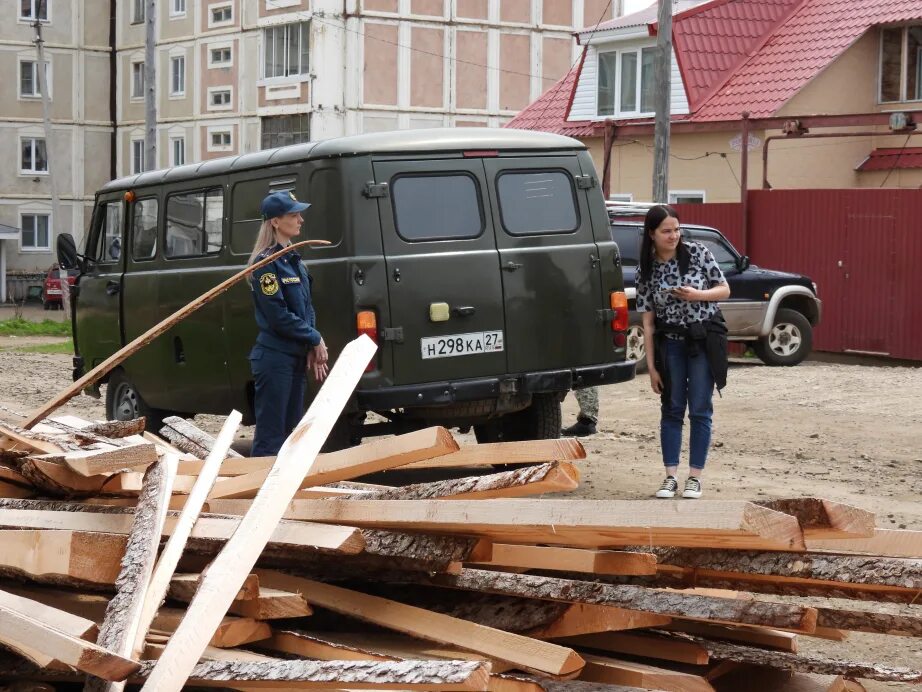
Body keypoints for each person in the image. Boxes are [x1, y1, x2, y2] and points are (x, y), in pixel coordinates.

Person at [635, 205, 729, 499]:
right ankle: (670, 477)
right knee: (672, 408)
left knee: (700, 408)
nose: (673, 235)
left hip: (702, 340)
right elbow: (648, 323)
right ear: (652, 234)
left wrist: (697, 295)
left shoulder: (698, 253)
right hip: (671, 343)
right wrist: (651, 367)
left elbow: (724, 289)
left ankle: (695, 478)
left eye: (677, 229)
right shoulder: (646, 269)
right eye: (666, 231)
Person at [248, 190, 328, 456]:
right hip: (274, 360)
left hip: (294, 358)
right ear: (275, 222)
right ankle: (258, 493)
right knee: (271, 438)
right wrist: (314, 337)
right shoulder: (265, 264)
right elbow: (278, 316)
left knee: (294, 435)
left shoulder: (295, 262)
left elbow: (307, 308)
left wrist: (311, 341)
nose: (300, 220)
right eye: (293, 215)